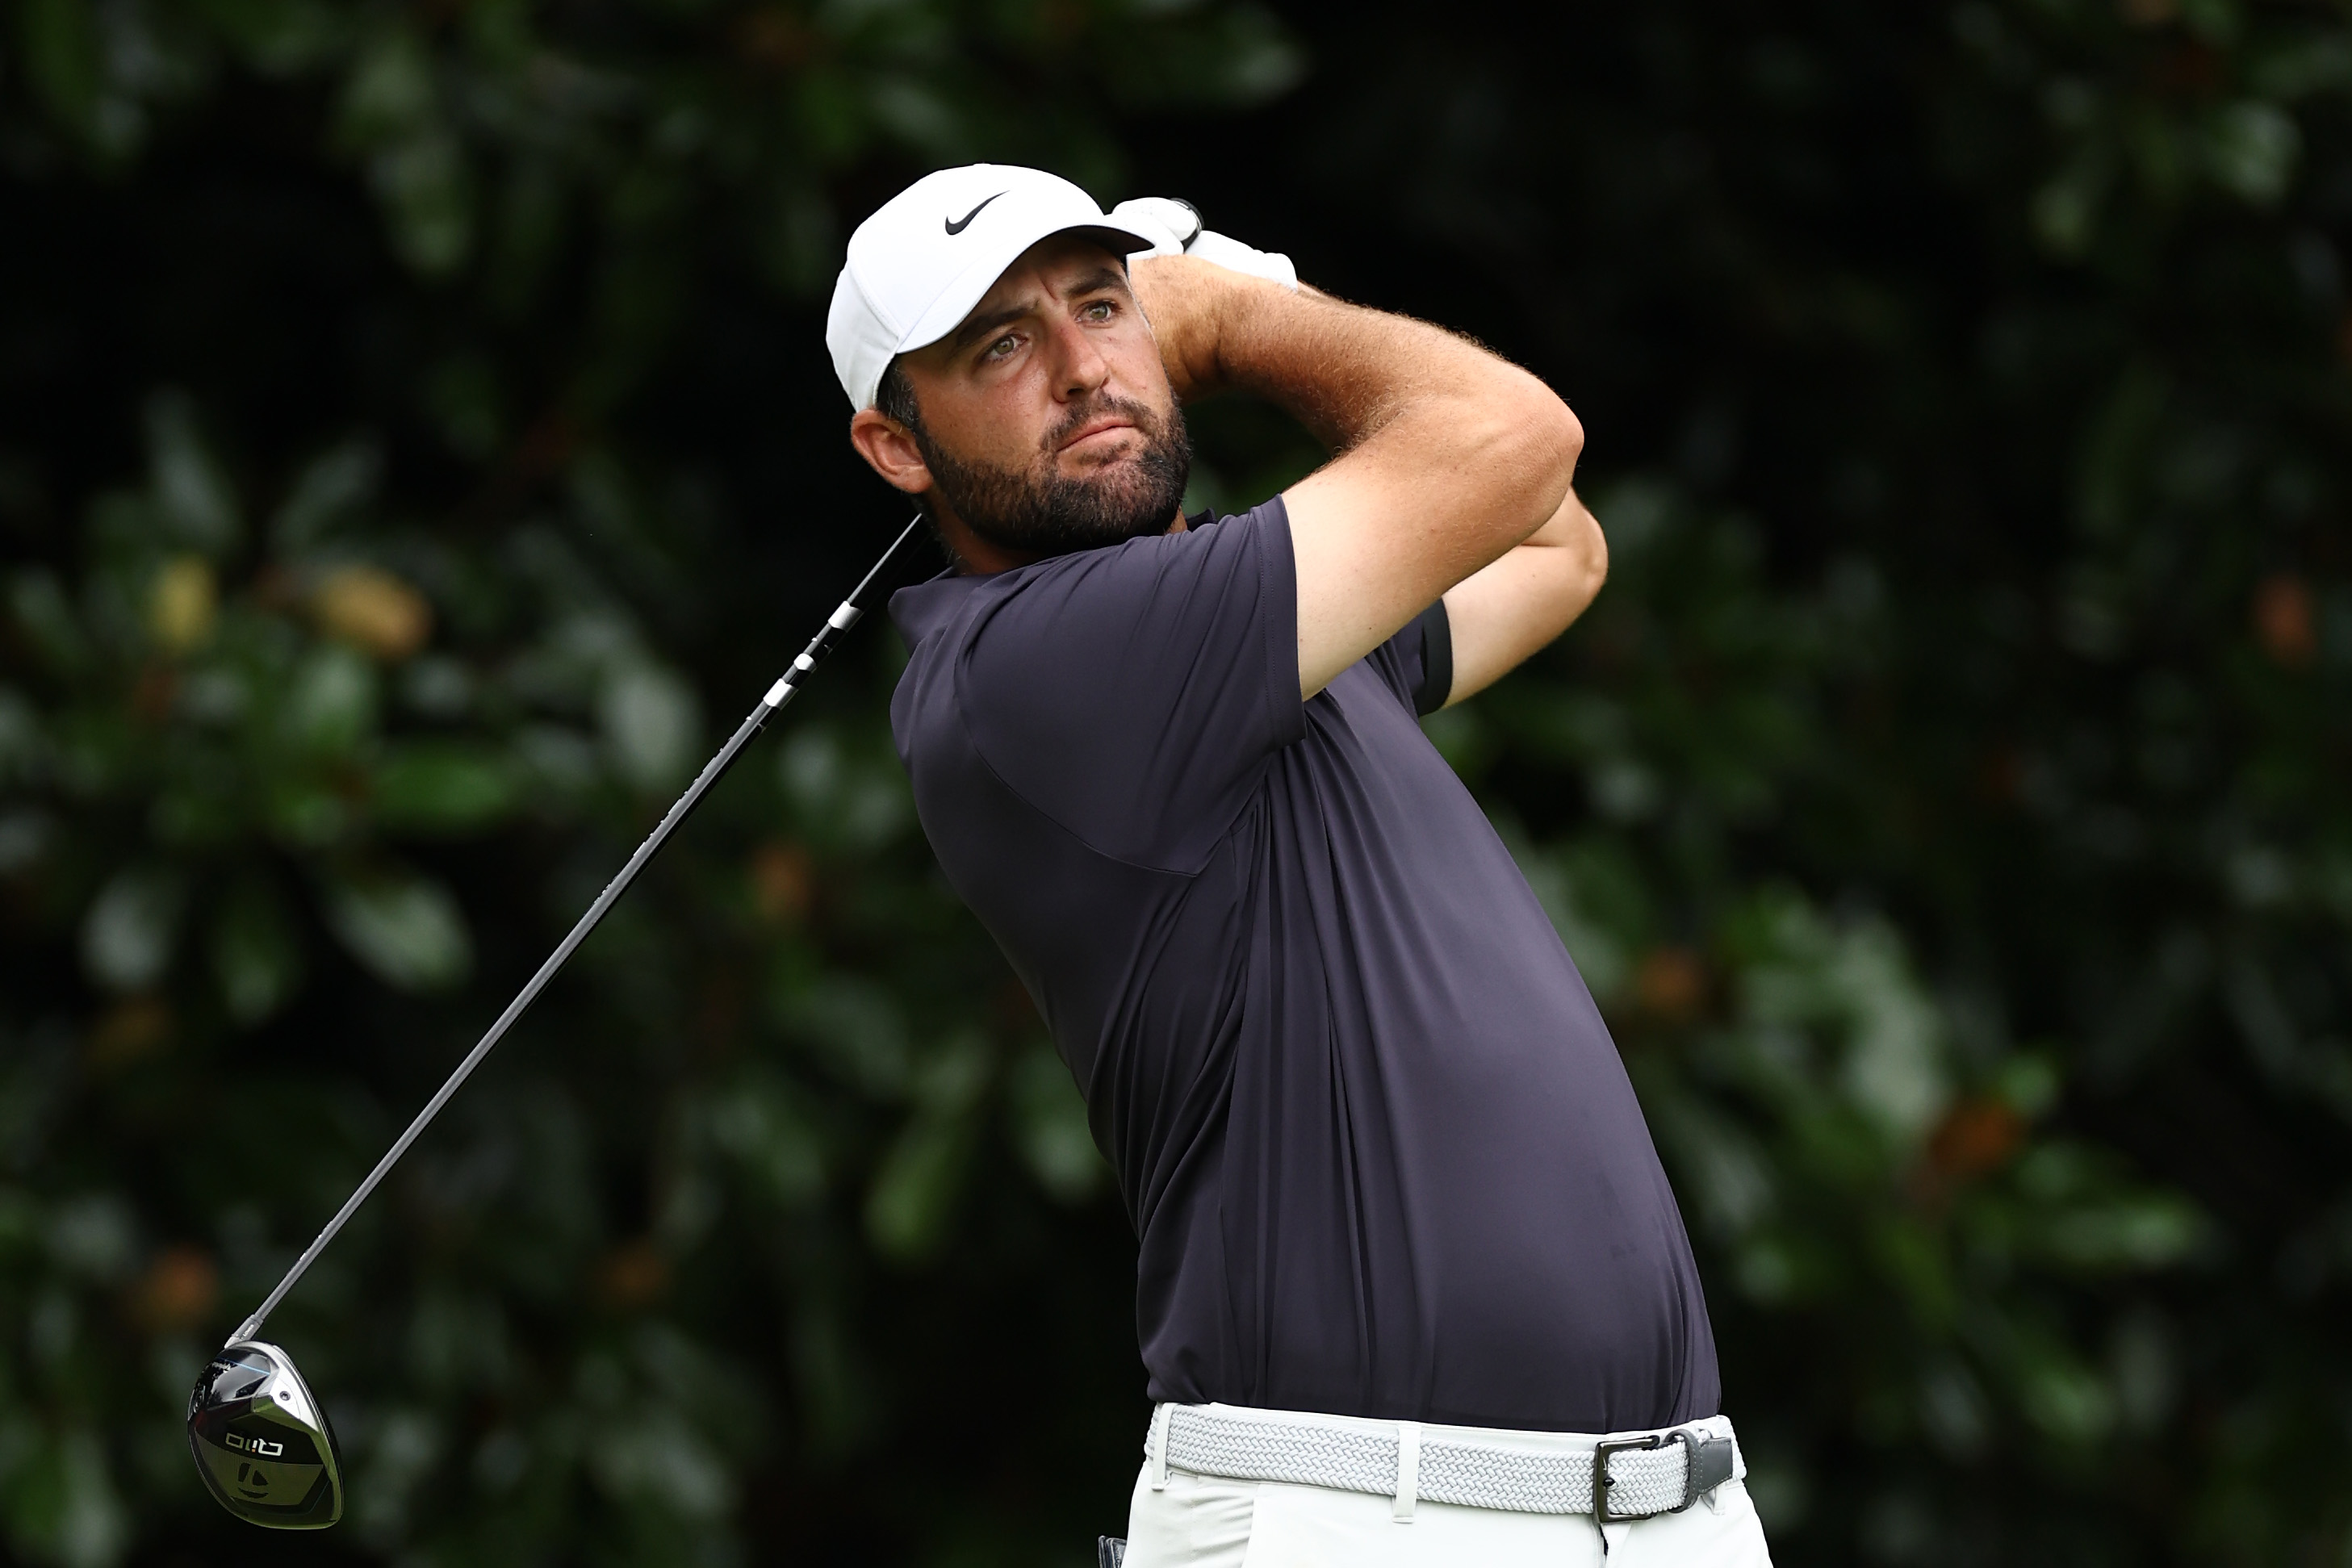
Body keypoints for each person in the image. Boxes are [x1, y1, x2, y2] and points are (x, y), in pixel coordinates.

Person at [828, 163, 1772, 1567]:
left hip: (1659, 1513)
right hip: (1359, 1518)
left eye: (1103, 305)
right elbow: (1517, 439)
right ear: (898, 448)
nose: (1087, 368)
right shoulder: (1041, 664)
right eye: (1002, 345)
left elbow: (1560, 546)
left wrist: (1260, 307)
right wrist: (1237, 318)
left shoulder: (1256, 636)